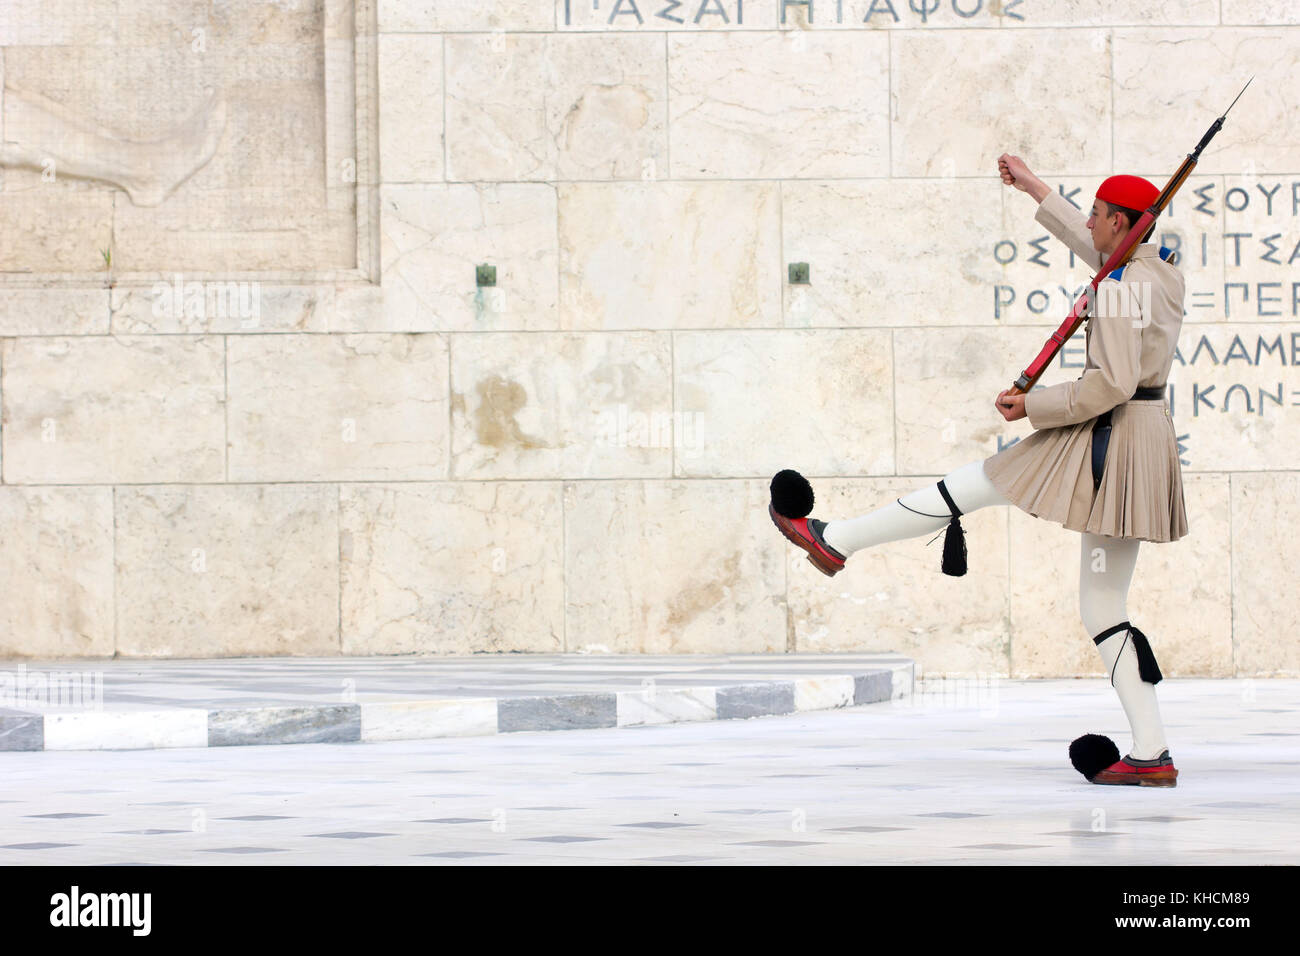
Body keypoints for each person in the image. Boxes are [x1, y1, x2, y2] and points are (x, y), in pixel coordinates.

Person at [769, 153, 1189, 787]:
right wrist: (1036, 191)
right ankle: (1152, 753)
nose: (1094, 223)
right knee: (1102, 603)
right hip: (1143, 439)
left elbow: (1111, 383)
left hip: (1107, 436)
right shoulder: (1157, 275)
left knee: (979, 485)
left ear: (1124, 224)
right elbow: (1104, 252)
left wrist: (1032, 407)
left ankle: (835, 541)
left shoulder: (1117, 291)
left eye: (1101, 215)